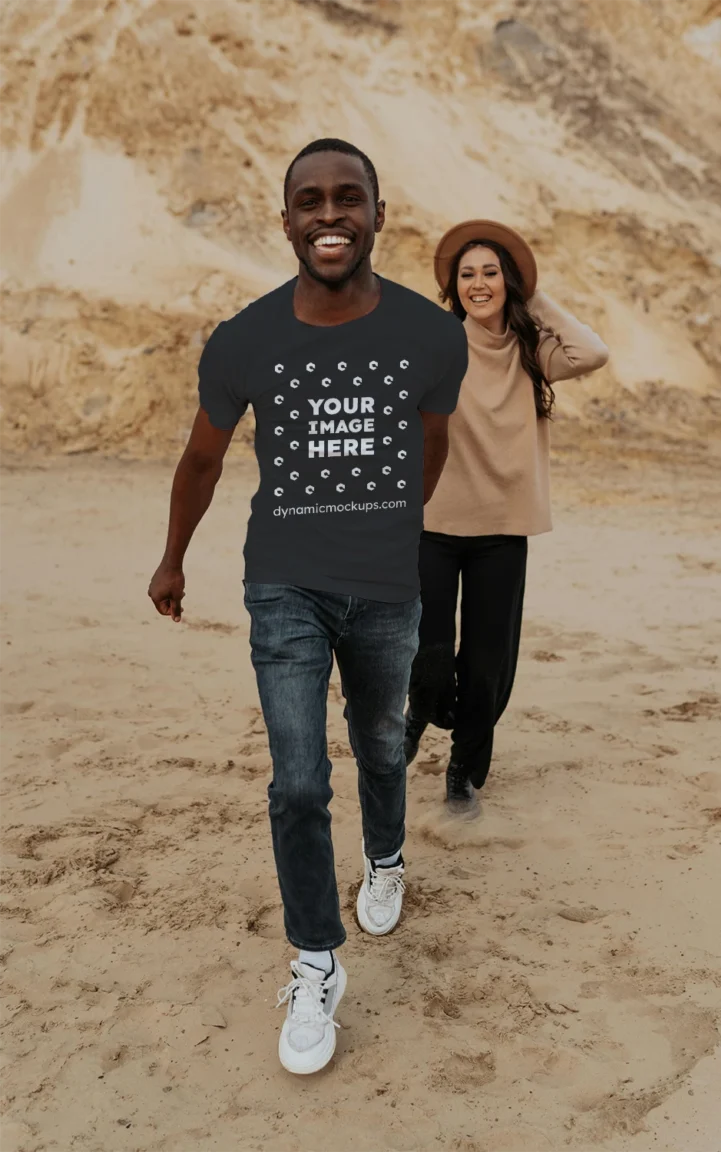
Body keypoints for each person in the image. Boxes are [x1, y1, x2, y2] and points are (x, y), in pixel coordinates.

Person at [147, 139, 467, 1075]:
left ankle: (386, 856)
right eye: (310, 202)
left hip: (383, 587)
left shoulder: (429, 335)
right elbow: (203, 458)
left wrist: (395, 531)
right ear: (284, 219)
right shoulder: (244, 339)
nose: (331, 216)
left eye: (348, 199)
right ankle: (315, 959)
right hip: (281, 581)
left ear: (378, 213)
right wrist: (172, 558)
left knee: (377, 745)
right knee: (295, 780)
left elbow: (430, 445)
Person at [404, 220, 609, 814]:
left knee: (486, 663)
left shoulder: (532, 349)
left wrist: (532, 294)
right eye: (466, 274)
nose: (478, 283)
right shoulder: (435, 342)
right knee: (430, 651)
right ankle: (417, 711)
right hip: (434, 526)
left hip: (502, 531)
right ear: (454, 286)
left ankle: (462, 775)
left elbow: (591, 352)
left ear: (508, 280)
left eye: (491, 272)